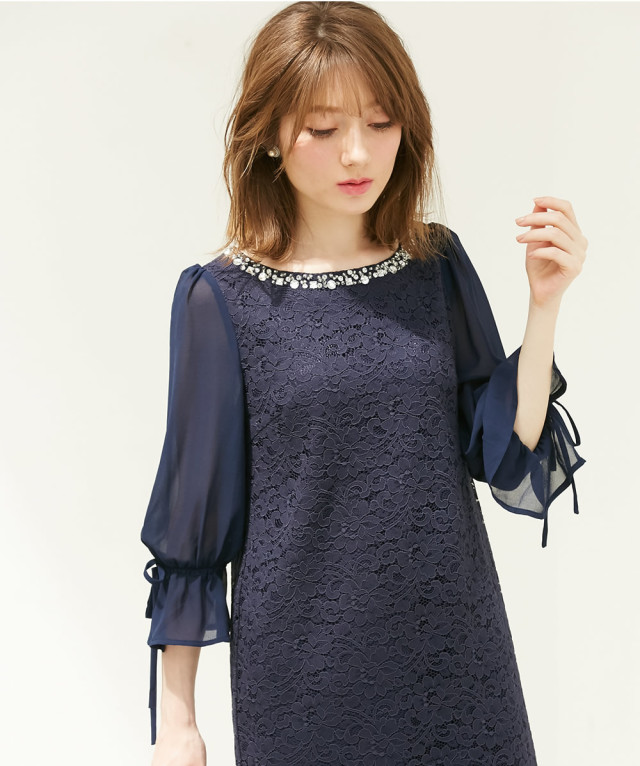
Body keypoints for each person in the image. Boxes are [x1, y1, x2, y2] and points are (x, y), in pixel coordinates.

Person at [140, 2, 587, 764]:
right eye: (323, 129)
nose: (357, 153)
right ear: (269, 136)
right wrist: (178, 722)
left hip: (458, 664)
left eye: (381, 123)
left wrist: (544, 306)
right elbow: (195, 522)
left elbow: (508, 456)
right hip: (305, 683)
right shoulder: (221, 301)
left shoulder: (435, 266)